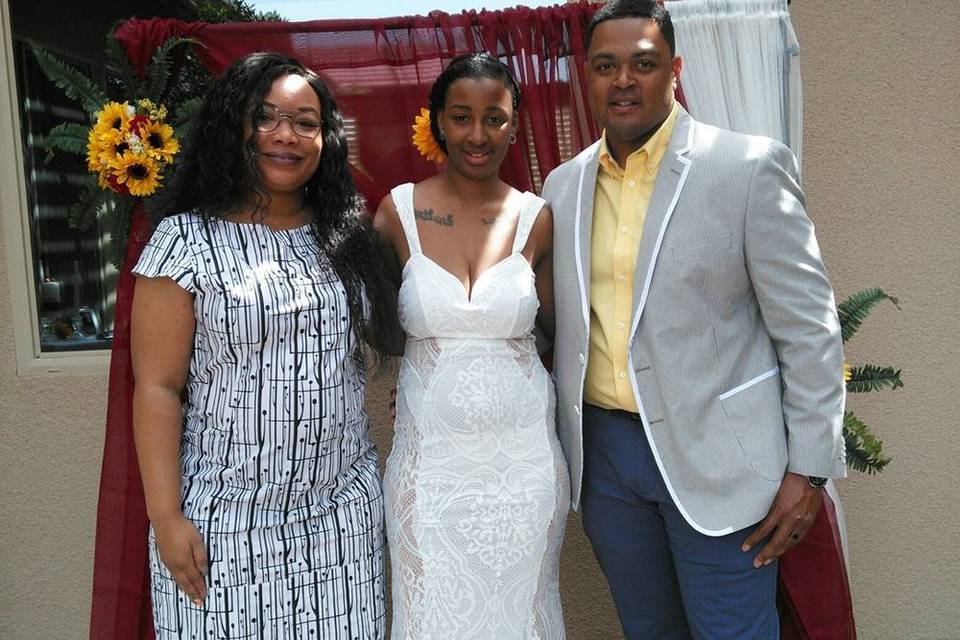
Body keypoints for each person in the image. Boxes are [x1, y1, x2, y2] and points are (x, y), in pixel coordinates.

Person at [541, 1, 847, 638]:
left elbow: (809, 329)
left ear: (674, 70)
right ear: (586, 76)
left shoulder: (746, 168)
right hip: (607, 465)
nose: (624, 80)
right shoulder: (562, 188)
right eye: (606, 66)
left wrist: (809, 468)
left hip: (722, 463)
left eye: (643, 64)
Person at [130, 52, 398, 638]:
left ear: (326, 140)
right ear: (236, 126)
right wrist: (165, 517)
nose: (285, 135)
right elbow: (158, 387)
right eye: (267, 116)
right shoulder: (185, 239)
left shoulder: (348, 235)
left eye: (305, 122)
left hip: (341, 516)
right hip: (223, 521)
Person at [374, 53, 569, 639]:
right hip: (428, 469)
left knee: (523, 615)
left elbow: (561, 336)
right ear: (437, 121)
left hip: (526, 471)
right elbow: (369, 328)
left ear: (515, 124)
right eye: (461, 117)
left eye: (495, 118)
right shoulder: (396, 212)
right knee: (429, 612)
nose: (478, 135)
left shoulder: (537, 217)